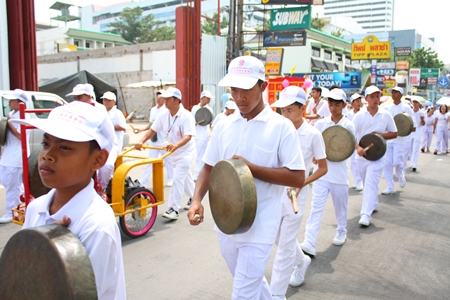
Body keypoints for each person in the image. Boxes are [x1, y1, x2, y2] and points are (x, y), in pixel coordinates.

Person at [187, 56, 305, 300]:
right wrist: (196, 199)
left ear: (263, 86)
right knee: (252, 286)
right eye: (234, 89)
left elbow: (297, 177)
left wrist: (252, 169)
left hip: (261, 225)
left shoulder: (281, 127)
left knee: (243, 294)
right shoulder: (223, 125)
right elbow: (209, 167)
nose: (239, 96)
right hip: (227, 224)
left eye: (246, 89)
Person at [16, 101, 126, 299]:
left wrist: (59, 249)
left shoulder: (95, 225)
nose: (48, 155)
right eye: (45, 143)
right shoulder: (36, 208)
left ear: (98, 159)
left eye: (65, 147)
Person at [269, 86, 327, 299]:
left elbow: (323, 167)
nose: (285, 114)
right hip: (275, 194)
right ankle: (302, 261)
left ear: (302, 108)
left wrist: (302, 183)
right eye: (282, 110)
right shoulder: (276, 131)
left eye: (290, 110)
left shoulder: (313, 135)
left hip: (296, 197)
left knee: (284, 248)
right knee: (278, 239)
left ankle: (276, 295)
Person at [300, 88, 355, 257]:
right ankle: (309, 241)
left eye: (337, 103)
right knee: (316, 208)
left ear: (344, 105)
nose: (333, 107)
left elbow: (347, 150)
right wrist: (316, 158)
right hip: (321, 175)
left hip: (339, 175)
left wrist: (326, 155)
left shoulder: (348, 125)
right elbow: (314, 148)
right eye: (330, 103)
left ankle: (341, 231)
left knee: (340, 208)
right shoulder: (321, 124)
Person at [135, 87, 196, 220]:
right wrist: (141, 141)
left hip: (185, 153)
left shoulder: (187, 116)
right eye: (165, 98)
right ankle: (194, 198)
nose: (165, 100)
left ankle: (173, 209)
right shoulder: (163, 115)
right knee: (186, 178)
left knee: (178, 179)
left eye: (168, 99)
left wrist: (175, 145)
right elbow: (152, 130)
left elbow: (188, 136)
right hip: (172, 151)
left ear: (177, 100)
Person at [353, 86, 397, 227]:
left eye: (377, 96)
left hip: (378, 156)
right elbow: (351, 136)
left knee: (371, 183)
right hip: (362, 157)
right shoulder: (359, 116)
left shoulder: (386, 115)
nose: (375, 99)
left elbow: (394, 133)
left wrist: (381, 135)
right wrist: (358, 147)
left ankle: (365, 214)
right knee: (368, 184)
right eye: (372, 97)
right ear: (366, 99)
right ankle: (373, 202)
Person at [66, 84, 119, 191]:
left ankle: (101, 190)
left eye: (80, 97)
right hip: (85, 144)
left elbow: (103, 133)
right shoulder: (72, 107)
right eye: (75, 98)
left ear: (89, 96)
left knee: (106, 167)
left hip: (106, 143)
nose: (77, 100)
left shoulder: (100, 109)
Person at [0, 89, 30, 224]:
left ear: (20, 102)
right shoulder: (11, 114)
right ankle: (23, 196)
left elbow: (20, 136)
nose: (9, 102)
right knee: (8, 182)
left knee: (12, 187)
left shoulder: (24, 116)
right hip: (7, 155)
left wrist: (9, 123)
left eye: (12, 100)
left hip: (17, 156)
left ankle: (12, 213)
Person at [136, 90, 174, 187]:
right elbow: (151, 125)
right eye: (157, 97)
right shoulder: (153, 110)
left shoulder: (167, 111)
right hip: (153, 140)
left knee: (168, 161)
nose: (159, 99)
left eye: (161, 97)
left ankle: (171, 178)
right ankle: (143, 181)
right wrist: (141, 130)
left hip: (164, 140)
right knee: (150, 161)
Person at [381, 86, 415, 195]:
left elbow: (411, 123)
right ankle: (390, 186)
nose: (394, 94)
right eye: (393, 93)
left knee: (396, 161)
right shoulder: (387, 108)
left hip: (400, 139)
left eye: (396, 93)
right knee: (387, 163)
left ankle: (400, 175)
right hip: (389, 138)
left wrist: (409, 127)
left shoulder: (407, 108)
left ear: (401, 95)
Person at [191, 90, 214, 181]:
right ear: (203, 98)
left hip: (205, 136)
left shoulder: (209, 110)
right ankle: (197, 174)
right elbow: (192, 121)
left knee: (203, 156)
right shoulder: (195, 108)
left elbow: (210, 122)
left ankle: (199, 175)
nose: (209, 100)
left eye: (209, 99)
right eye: (207, 98)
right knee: (197, 155)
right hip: (196, 135)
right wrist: (195, 123)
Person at [347, 93, 365, 191]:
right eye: (356, 101)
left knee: (360, 161)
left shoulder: (363, 113)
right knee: (353, 162)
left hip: (362, 141)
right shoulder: (349, 114)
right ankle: (357, 180)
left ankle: (361, 180)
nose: (359, 103)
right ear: (352, 103)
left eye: (360, 101)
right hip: (352, 141)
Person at [408, 97, 425, 171]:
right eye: (413, 102)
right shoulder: (410, 112)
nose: (414, 104)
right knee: (410, 148)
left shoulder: (422, 113)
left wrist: (422, 120)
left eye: (416, 103)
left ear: (419, 104)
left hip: (418, 131)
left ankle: (414, 164)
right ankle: (411, 162)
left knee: (416, 148)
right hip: (411, 131)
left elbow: (423, 124)